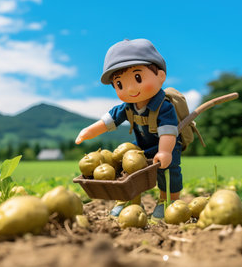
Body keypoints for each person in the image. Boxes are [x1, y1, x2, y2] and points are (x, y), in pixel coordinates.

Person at [75, 38, 182, 220]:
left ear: (160, 76)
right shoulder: (127, 107)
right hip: (140, 147)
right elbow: (108, 121)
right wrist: (88, 132)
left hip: (166, 146)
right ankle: (128, 200)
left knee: (169, 172)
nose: (131, 89)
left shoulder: (163, 107)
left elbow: (169, 132)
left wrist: (165, 152)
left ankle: (167, 200)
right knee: (127, 169)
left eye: (138, 78)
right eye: (120, 85)